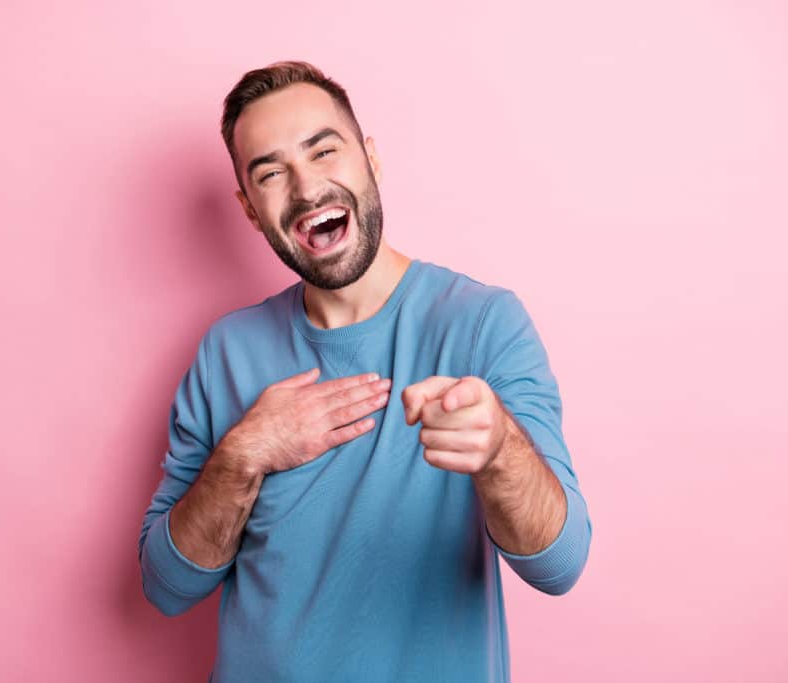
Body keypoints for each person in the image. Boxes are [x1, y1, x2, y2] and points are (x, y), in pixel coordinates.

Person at [138, 60, 592, 682]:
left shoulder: (483, 323)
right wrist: (243, 456)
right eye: (271, 173)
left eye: (324, 151)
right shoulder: (226, 351)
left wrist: (500, 451)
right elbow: (166, 587)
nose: (306, 188)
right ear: (249, 209)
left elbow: (560, 564)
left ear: (370, 159)